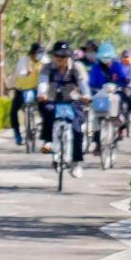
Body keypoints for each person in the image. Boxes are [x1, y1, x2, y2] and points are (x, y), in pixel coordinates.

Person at [38, 40, 92, 175]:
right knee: (48, 111)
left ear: (68, 56)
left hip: (73, 99)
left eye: (63, 56)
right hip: (53, 98)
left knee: (77, 129)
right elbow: (43, 82)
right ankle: (48, 141)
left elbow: (83, 83)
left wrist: (86, 95)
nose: (59, 59)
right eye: (57, 56)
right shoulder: (47, 67)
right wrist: (42, 94)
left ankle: (76, 162)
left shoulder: (76, 67)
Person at [10, 42, 45, 148]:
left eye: (41, 53)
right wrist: (26, 72)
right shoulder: (24, 60)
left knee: (45, 108)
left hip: (36, 89)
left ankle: (45, 131)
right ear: (33, 53)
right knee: (13, 111)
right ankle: (17, 135)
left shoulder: (43, 61)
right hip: (21, 89)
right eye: (38, 53)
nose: (39, 56)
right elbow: (20, 72)